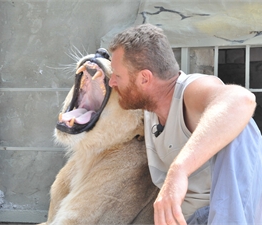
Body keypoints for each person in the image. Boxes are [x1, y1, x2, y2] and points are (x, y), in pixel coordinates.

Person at [108, 23, 262, 225]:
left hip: (214, 216)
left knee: (241, 127)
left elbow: (242, 100)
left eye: (117, 76)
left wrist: (178, 171)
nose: (112, 82)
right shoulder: (150, 108)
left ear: (145, 78)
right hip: (181, 219)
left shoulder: (190, 91)